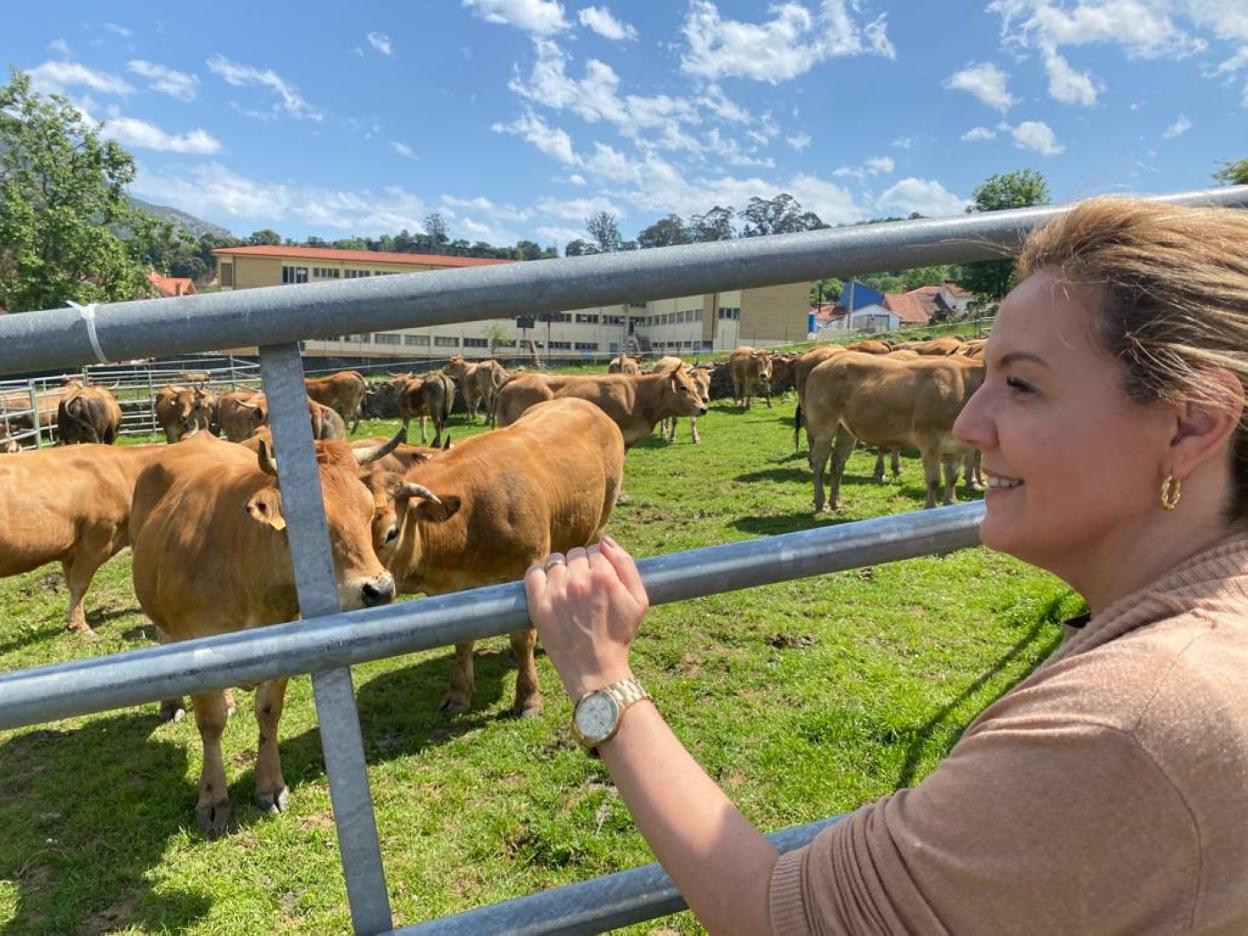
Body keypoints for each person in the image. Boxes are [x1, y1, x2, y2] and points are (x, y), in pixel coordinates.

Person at [524, 196, 1248, 935]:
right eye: (985, 377)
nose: (967, 423)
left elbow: (781, 920)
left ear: (1191, 422)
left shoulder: (1133, 723)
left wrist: (601, 677)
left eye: (1022, 385)